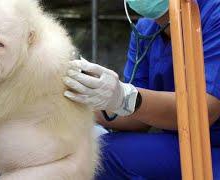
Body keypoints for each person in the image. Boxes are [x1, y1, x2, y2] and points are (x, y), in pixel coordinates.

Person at [63, 0, 220, 179]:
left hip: (213, 145)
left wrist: (126, 98)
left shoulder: (214, 13)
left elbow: (205, 111)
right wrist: (86, 101)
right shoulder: (144, 29)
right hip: (179, 142)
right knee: (98, 155)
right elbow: (137, 120)